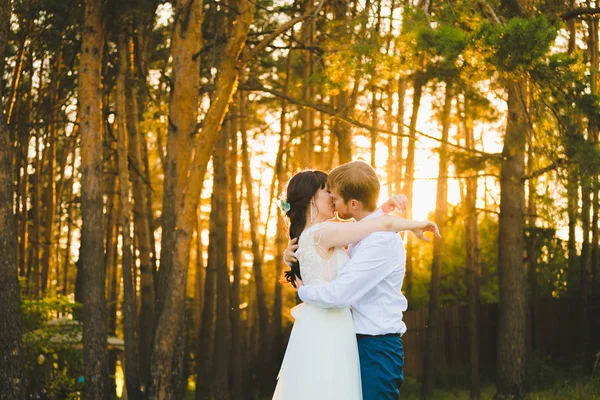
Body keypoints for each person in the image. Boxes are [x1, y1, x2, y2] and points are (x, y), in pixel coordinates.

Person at [273, 164, 439, 400]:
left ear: (352, 203)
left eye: (334, 194)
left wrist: (305, 292)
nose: (331, 197)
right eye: (326, 191)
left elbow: (373, 227)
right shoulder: (329, 233)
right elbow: (368, 225)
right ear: (311, 199)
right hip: (343, 336)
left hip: (374, 344)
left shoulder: (373, 239)